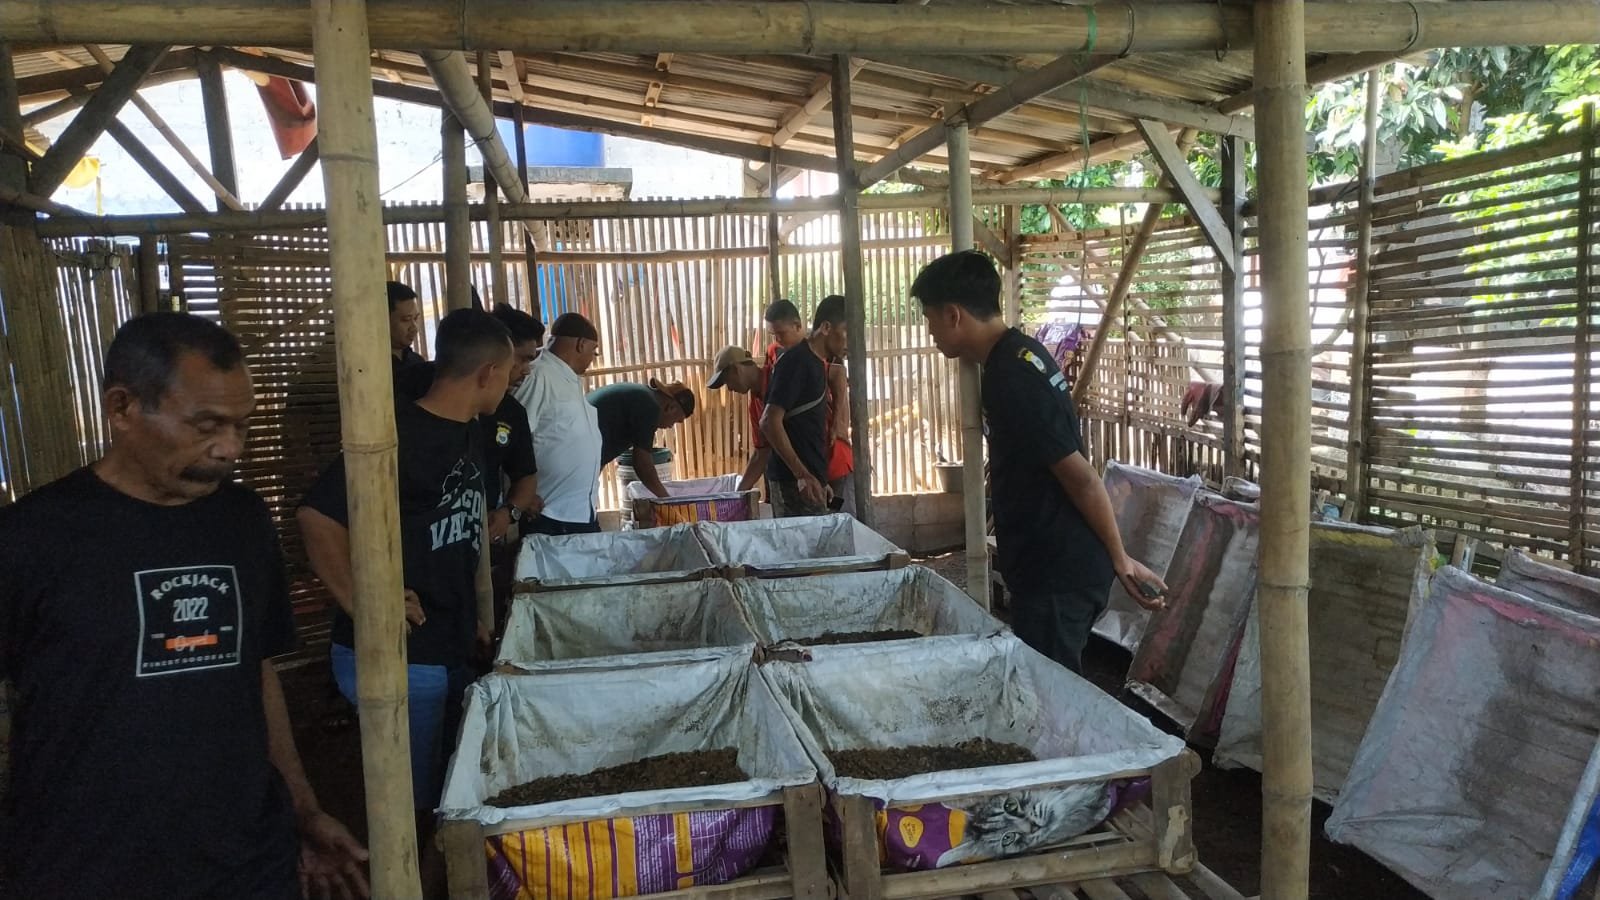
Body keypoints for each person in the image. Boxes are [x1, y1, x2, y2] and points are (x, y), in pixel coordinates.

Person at [0, 312, 368, 899]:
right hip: (85, 868)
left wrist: (302, 811)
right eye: (206, 425)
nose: (229, 448)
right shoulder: (31, 540)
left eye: (241, 426)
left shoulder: (244, 522)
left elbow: (257, 670)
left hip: (246, 858)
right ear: (122, 408)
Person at [298, 308, 513, 820]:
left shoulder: (469, 430)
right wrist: (365, 602)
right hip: (403, 655)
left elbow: (451, 536)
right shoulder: (399, 437)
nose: (508, 384)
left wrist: (470, 621)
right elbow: (316, 517)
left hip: (448, 642)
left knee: (448, 790)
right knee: (416, 809)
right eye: (507, 373)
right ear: (487, 374)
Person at [911, 250, 1167, 673]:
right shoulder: (1020, 353)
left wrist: (1120, 557)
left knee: (1051, 702)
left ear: (953, 314)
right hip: (1051, 563)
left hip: (1058, 572)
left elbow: (1080, 476)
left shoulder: (1013, 378)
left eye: (930, 317)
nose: (930, 331)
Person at [514, 312, 604, 535]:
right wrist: (522, 495)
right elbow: (514, 436)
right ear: (581, 344)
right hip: (551, 514)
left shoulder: (568, 377)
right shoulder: (539, 375)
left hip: (579, 513)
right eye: (594, 352)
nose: (593, 358)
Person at [761, 294, 848, 518]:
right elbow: (769, 421)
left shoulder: (818, 363)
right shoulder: (796, 362)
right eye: (847, 331)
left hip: (807, 482)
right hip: (793, 483)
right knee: (805, 551)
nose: (851, 340)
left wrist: (817, 478)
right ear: (826, 327)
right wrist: (802, 475)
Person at [587, 378, 697, 498]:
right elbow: (642, 465)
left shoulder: (642, 397)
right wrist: (666, 499)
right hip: (576, 445)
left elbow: (601, 455)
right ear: (671, 408)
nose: (671, 426)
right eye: (676, 420)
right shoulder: (649, 407)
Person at [388, 280, 425, 379]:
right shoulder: (372, 366)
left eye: (416, 318)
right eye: (406, 320)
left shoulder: (417, 362)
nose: (414, 328)